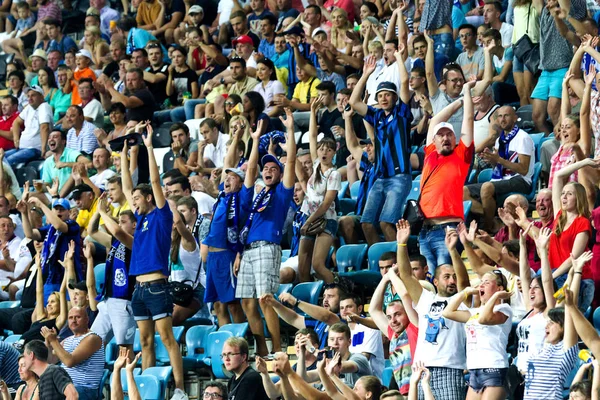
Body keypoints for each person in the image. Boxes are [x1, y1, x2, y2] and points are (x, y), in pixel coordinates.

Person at [120, 121, 188, 400]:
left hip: (158, 286)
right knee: (145, 342)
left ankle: (181, 389)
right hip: (139, 290)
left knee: (167, 339)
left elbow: (156, 182)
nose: (133, 201)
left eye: (138, 197)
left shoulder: (160, 215)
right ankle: (147, 389)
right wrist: (123, 155)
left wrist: (148, 147)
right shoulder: (141, 217)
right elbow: (126, 188)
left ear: (149, 197)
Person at [236, 110, 297, 356]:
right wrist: (254, 140)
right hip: (249, 249)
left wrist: (291, 131)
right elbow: (250, 169)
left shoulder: (282, 193)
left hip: (267, 247)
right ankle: (262, 347)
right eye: (266, 168)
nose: (267, 170)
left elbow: (291, 161)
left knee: (265, 299)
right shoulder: (258, 193)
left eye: (273, 167)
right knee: (247, 302)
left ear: (281, 173)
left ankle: (277, 346)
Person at [397, 219, 470, 400]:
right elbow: (406, 275)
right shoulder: (426, 299)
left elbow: (464, 282)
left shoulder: (461, 301)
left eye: (453, 277)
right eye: (446, 277)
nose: (452, 281)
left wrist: (452, 251)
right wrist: (401, 244)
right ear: (435, 282)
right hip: (421, 370)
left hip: (450, 370)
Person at [349, 52, 412, 244]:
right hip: (380, 178)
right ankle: (381, 263)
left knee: (386, 222)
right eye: (380, 95)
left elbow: (404, 82)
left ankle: (401, 263)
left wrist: (400, 58)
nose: (384, 98)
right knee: (367, 223)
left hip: (399, 176)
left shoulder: (401, 113)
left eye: (388, 95)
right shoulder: (377, 116)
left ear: (395, 98)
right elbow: (353, 102)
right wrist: (366, 74)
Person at [418, 81, 475, 272]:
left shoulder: (461, 156)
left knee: (445, 277)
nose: (445, 138)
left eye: (449, 134)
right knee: (431, 280)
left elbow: (468, 121)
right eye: (440, 135)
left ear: (455, 138)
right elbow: (434, 121)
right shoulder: (430, 154)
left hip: (448, 228)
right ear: (433, 140)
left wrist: (466, 92)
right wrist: (458, 102)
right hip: (425, 230)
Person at [443, 270, 513, 399]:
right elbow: (447, 312)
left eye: (486, 282)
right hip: (474, 369)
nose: (481, 285)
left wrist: (496, 296)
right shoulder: (474, 312)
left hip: (494, 367)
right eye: (481, 282)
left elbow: (484, 319)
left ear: (499, 288)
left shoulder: (504, 309)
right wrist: (466, 292)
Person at [202, 124, 247, 327]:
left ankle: (241, 341)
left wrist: (236, 136)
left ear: (241, 183)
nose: (227, 179)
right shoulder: (222, 195)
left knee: (232, 304)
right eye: (226, 177)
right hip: (212, 257)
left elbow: (230, 161)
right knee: (218, 305)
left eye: (233, 178)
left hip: (226, 255)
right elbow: (226, 166)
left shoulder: (241, 198)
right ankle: (225, 340)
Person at [463, 106, 535, 232]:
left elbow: (523, 169)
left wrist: (499, 160)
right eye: (500, 116)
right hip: (504, 179)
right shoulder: (499, 140)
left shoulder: (523, 138)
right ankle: (493, 219)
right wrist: (492, 161)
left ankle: (488, 226)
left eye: (506, 116)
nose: (502, 119)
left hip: (522, 180)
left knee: (487, 187)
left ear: (515, 118)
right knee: (462, 191)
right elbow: (499, 168)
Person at [297, 97, 340, 284]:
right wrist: (313, 112)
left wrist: (308, 221)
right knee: (302, 267)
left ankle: (338, 289)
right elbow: (312, 136)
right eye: (322, 149)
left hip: (325, 220)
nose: (323, 152)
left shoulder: (334, 174)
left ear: (334, 153)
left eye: (328, 150)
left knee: (317, 265)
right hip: (309, 217)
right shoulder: (315, 164)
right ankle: (307, 302)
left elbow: (326, 203)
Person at [41, 306, 105, 400]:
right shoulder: (67, 340)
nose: (73, 321)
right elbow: (51, 361)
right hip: (65, 386)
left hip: (84, 389)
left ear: (87, 320)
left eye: (77, 317)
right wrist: (49, 344)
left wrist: (54, 341)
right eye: (70, 318)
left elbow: (70, 362)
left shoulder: (92, 338)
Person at [9, 86, 53, 166]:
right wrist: (16, 139)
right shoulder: (29, 107)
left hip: (35, 149)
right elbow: (16, 122)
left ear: (41, 97)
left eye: (33, 95)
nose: (30, 98)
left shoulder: (44, 107)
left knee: (8, 160)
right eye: (28, 96)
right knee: (2, 157)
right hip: (22, 148)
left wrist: (43, 149)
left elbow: (44, 127)